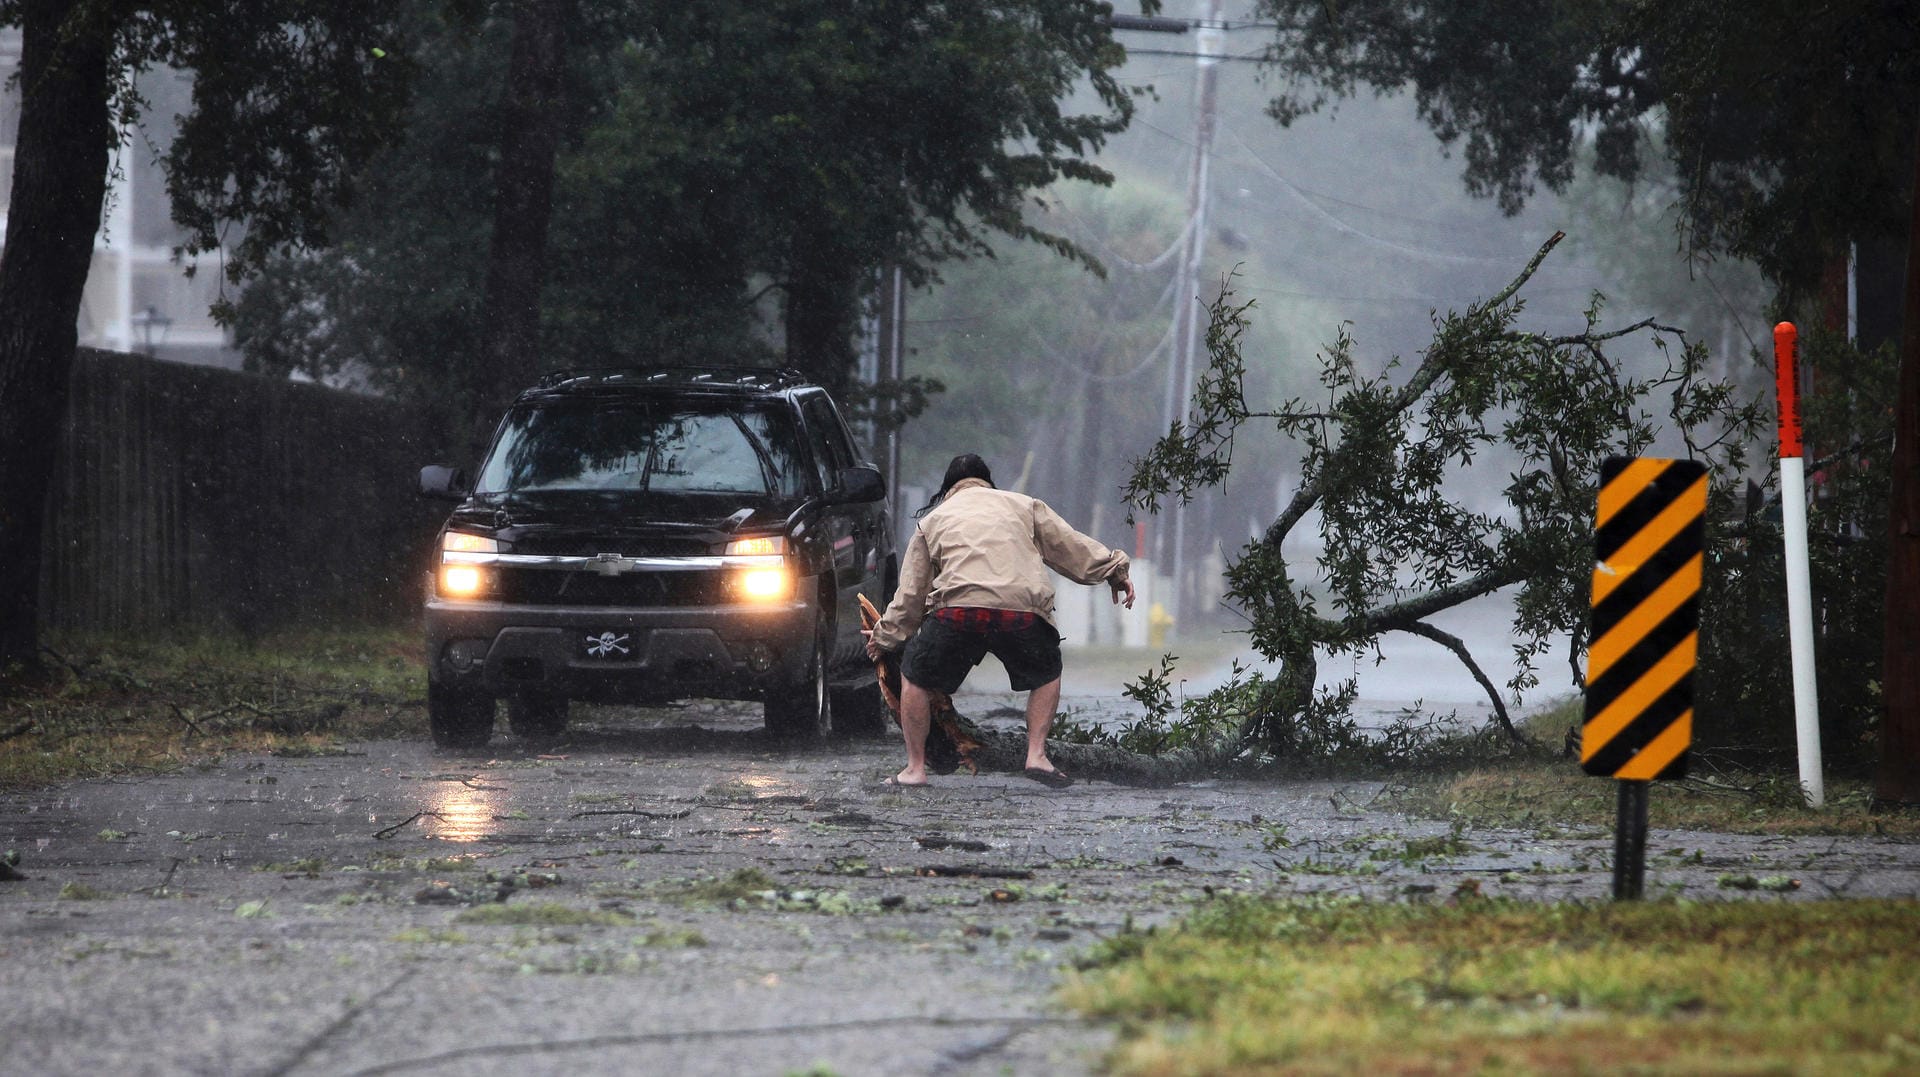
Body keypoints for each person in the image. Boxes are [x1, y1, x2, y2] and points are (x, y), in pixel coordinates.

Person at [865, 453, 1135, 788]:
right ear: (989, 483)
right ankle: (1036, 755)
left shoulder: (932, 521)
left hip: (957, 612)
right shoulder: (1023, 506)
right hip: (1020, 613)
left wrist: (885, 637)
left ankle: (915, 768)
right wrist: (1114, 571)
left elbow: (911, 596)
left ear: (948, 489)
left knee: (914, 677)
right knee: (1046, 673)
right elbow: (1071, 547)